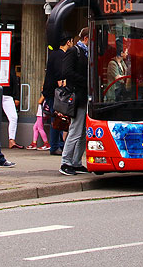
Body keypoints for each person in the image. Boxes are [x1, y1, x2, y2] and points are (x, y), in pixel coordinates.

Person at [60, 27, 89, 176]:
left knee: (83, 131)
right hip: (78, 95)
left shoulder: (85, 52)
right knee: (76, 130)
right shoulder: (74, 51)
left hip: (84, 96)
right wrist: (85, 81)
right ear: (86, 38)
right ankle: (66, 161)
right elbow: (67, 72)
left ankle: (76, 161)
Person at [43, 34, 73, 156]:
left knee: (58, 117)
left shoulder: (53, 54)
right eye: (71, 41)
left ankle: (59, 144)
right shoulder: (61, 55)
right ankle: (55, 146)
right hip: (55, 92)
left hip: (50, 91)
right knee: (57, 117)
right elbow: (60, 74)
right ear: (68, 42)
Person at [2, 67, 23, 149]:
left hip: (7, 95)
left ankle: (11, 139)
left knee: (13, 117)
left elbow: (15, 83)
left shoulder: (10, 69)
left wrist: (16, 97)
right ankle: (11, 140)